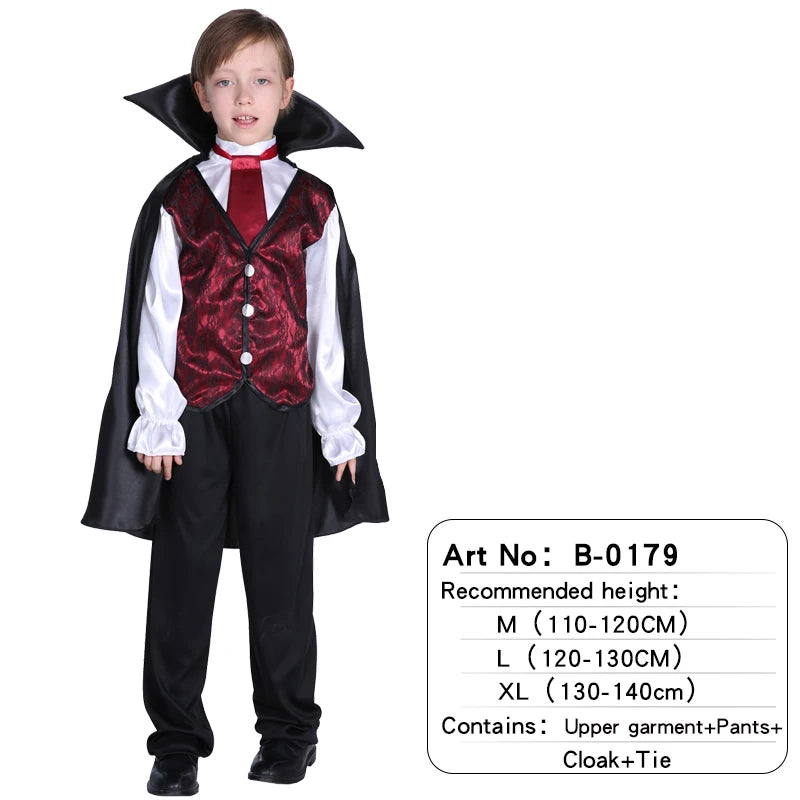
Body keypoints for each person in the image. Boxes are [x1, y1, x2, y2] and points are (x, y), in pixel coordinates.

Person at [81, 9, 388, 795]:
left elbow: (328, 321)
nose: (243, 97)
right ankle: (176, 740)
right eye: (225, 82)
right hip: (194, 413)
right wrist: (157, 416)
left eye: (259, 80)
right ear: (201, 94)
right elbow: (157, 312)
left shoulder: (314, 201)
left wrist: (338, 426)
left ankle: (288, 733)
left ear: (288, 91)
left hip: (282, 410)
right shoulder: (178, 198)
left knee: (282, 579)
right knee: (181, 580)